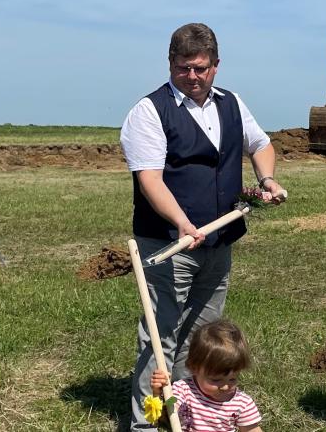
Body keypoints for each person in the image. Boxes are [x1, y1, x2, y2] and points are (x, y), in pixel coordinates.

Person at [120, 22, 285, 431]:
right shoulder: (149, 111)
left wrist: (266, 179)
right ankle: (146, 423)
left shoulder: (230, 103)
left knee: (201, 336)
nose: (191, 76)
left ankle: (187, 415)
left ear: (215, 65)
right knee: (159, 336)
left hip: (219, 242)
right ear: (170, 64)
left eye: (199, 68)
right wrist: (181, 223)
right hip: (168, 245)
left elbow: (260, 144)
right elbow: (150, 180)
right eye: (182, 68)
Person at [150, 320, 263, 432]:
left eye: (232, 379)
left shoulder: (242, 403)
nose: (225, 387)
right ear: (194, 368)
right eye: (216, 380)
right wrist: (159, 393)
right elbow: (165, 415)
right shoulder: (183, 390)